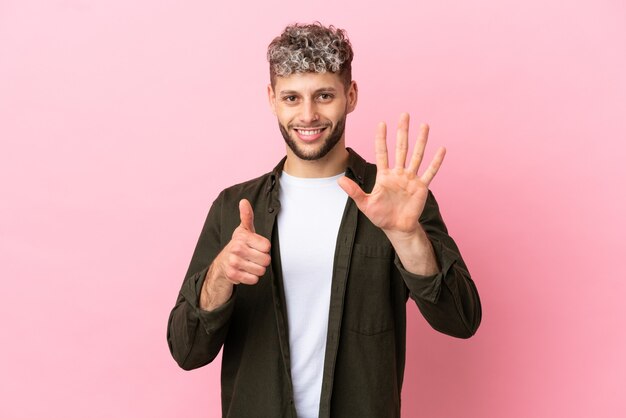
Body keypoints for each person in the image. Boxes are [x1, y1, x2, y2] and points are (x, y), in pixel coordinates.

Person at [167, 22, 481, 418]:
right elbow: (186, 349)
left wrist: (408, 238)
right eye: (292, 97)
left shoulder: (397, 201)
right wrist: (220, 276)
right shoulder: (234, 207)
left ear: (350, 96)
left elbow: (461, 319)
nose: (308, 115)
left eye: (324, 95)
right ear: (272, 99)